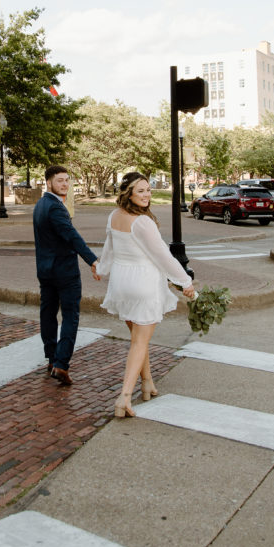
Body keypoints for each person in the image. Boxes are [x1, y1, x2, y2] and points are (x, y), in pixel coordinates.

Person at [97, 172, 195, 418]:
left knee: (139, 339)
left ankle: (148, 383)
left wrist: (101, 269)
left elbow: (108, 249)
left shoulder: (114, 216)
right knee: (139, 342)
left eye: (148, 190)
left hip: (121, 283)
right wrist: (185, 282)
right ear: (128, 193)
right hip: (143, 283)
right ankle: (124, 398)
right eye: (140, 191)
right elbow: (163, 256)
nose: (147, 195)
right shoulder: (143, 222)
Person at [33, 165, 100, 386]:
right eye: (59, 180)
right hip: (64, 272)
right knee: (70, 316)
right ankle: (61, 363)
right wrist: (92, 259)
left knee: (48, 314)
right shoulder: (54, 207)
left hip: (45, 270)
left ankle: (52, 359)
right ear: (48, 182)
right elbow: (72, 236)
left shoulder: (40, 205)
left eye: (67, 180)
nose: (65, 184)